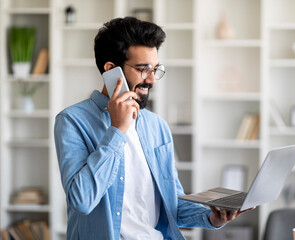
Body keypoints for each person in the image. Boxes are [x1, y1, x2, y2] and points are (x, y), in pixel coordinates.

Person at [54, 17, 250, 240]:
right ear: (111, 70)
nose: (152, 80)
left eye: (155, 69)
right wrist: (118, 130)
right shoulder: (72, 121)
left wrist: (213, 218)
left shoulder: (157, 126)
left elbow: (172, 204)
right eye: (143, 69)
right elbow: (82, 201)